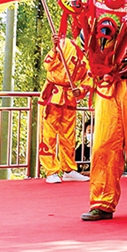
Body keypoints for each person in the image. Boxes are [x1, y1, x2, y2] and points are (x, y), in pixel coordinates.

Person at [39, 37, 91, 183]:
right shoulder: (64, 43)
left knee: (69, 135)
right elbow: (47, 65)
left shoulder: (89, 56)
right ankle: (51, 171)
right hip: (53, 94)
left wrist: (81, 90)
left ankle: (68, 169)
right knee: (48, 134)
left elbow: (89, 78)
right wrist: (54, 49)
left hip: (69, 96)